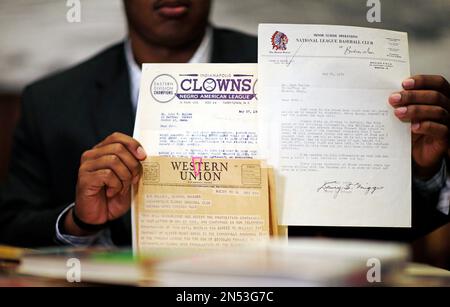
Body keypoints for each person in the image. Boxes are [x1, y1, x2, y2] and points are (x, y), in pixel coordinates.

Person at [0, 0, 448, 247]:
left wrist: (424, 174)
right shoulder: (51, 101)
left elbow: (376, 230)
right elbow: (13, 222)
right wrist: (79, 221)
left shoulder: (298, 72)